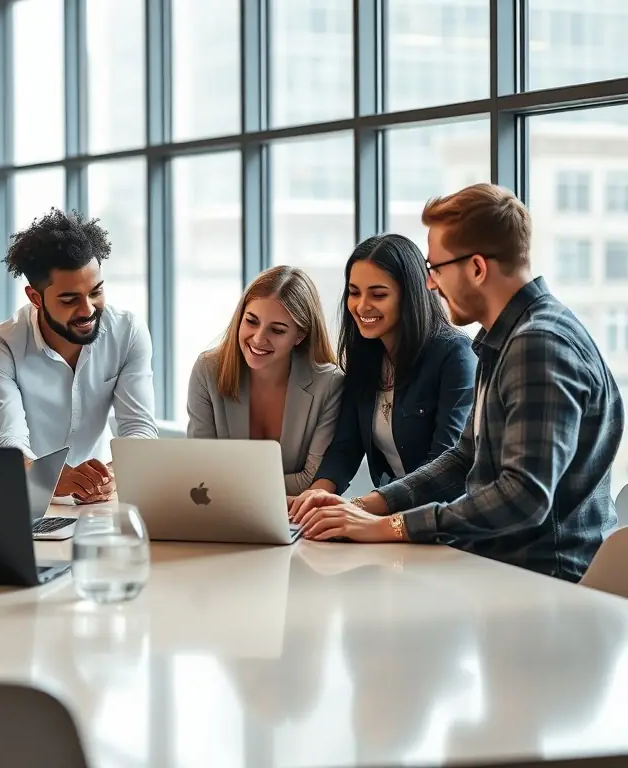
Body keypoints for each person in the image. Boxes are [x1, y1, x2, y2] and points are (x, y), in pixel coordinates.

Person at [294, 183, 624, 582]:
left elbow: (525, 498)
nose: (430, 284)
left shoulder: (537, 344)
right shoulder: (504, 339)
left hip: (544, 583)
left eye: (436, 269)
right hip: (503, 571)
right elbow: (463, 457)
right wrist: (367, 506)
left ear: (477, 268)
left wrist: (390, 527)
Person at [0, 208, 158, 504]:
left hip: (100, 501)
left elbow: (140, 428)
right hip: (26, 501)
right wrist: (53, 478)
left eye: (96, 292)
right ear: (36, 298)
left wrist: (115, 475)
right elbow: (9, 443)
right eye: (70, 299)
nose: (87, 310)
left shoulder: (127, 331)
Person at [290, 234, 476, 509]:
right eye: (354, 292)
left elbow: (444, 464)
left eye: (378, 294)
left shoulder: (455, 355)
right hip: (391, 516)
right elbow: (346, 446)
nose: (362, 306)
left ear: (410, 295)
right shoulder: (366, 355)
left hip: (442, 521)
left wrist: (360, 507)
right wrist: (317, 494)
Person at [185, 265, 343, 496]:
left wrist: (227, 485)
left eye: (277, 330)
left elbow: (311, 480)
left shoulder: (328, 384)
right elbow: (201, 468)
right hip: (223, 513)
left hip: (292, 518)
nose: (259, 339)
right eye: (251, 321)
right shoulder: (207, 370)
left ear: (300, 335)